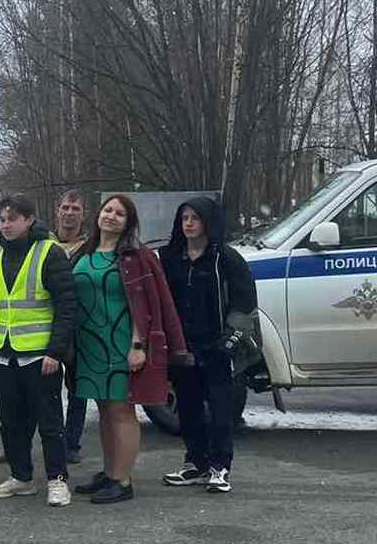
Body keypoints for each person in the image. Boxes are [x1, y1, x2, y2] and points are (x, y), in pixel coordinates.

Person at [71, 194, 186, 504]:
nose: (111, 216)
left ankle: (122, 480)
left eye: (119, 213)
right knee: (105, 409)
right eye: (108, 210)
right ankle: (109, 473)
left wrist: (139, 345)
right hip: (89, 344)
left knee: (122, 409)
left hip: (122, 343)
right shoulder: (85, 251)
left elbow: (149, 303)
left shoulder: (137, 257)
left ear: (128, 223)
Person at [0, 195, 78, 507]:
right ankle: (21, 477)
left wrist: (55, 351)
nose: (6, 225)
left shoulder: (49, 253)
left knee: (49, 422)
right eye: (2, 220)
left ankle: (57, 480)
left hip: (39, 355)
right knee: (10, 422)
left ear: (29, 219)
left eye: (12, 219)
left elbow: (67, 307)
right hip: (2, 353)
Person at [159, 197, 256, 494]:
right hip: (183, 348)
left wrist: (228, 341)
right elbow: (162, 300)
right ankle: (196, 463)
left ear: (208, 222)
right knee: (187, 408)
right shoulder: (171, 259)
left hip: (217, 346)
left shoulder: (225, 259)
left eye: (195, 218)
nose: (188, 224)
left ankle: (220, 467)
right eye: (184, 217)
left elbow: (245, 304)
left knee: (220, 409)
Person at [53, 189, 91, 466]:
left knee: (78, 389)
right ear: (57, 210)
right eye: (65, 207)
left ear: (84, 214)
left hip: (80, 329)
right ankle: (47, 440)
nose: (69, 213)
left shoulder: (90, 248)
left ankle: (71, 442)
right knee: (44, 390)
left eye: (75, 209)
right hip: (47, 325)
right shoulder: (43, 243)